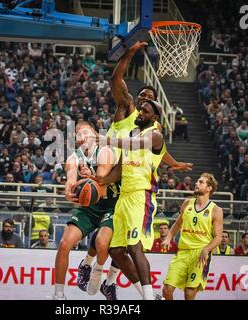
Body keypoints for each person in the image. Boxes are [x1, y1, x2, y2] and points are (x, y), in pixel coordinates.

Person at [100, 41, 192, 301]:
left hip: (141, 195)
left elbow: (141, 146)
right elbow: (120, 167)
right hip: (123, 193)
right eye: (141, 105)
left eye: (147, 108)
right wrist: (101, 180)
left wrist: (106, 140)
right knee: (115, 251)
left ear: (154, 116)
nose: (142, 108)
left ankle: (149, 296)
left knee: (133, 246)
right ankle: (110, 280)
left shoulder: (154, 135)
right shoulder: (131, 127)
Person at [52, 121, 120, 300]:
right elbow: (70, 179)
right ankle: (58, 295)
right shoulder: (74, 157)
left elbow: (103, 184)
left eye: (85, 132)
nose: (81, 136)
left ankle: (96, 271)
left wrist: (92, 178)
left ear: (95, 135)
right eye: (77, 134)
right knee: (65, 243)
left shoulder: (105, 151)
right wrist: (68, 191)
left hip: (112, 204)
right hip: (89, 207)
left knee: (102, 242)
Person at [161, 173, 223, 300]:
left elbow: (218, 237)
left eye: (201, 182)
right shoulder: (187, 203)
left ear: (209, 188)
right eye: (197, 181)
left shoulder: (216, 210)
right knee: (167, 289)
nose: (196, 183)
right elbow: (178, 223)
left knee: (189, 294)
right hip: (182, 252)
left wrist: (206, 249)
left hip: (200, 254)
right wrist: (168, 237)